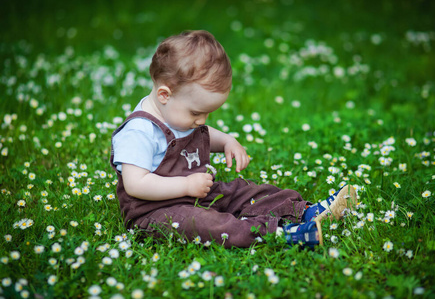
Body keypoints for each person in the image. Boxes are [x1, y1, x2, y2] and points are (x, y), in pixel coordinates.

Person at [110, 30, 357, 249]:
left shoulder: (176, 113)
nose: (202, 121)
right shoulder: (138, 132)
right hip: (156, 213)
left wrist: (227, 141)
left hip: (198, 194)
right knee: (206, 225)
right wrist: (185, 187)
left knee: (244, 191)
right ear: (164, 94)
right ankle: (283, 235)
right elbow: (136, 184)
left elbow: (201, 134)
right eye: (196, 113)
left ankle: (305, 211)